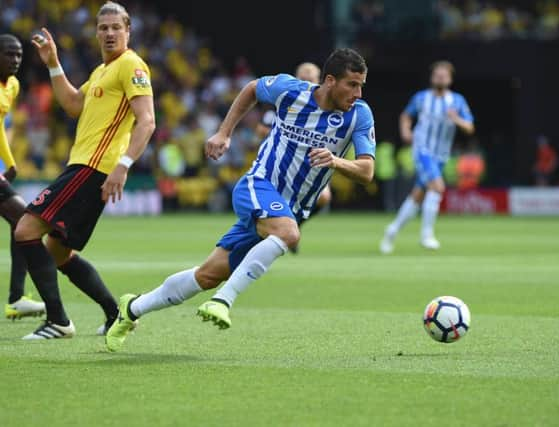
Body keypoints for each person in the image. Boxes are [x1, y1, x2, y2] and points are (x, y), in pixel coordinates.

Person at [106, 48, 376, 352]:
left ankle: (132, 309)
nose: (358, 92)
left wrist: (336, 162)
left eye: (361, 85)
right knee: (288, 234)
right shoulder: (290, 91)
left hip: (289, 210)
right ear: (329, 81)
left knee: (206, 275)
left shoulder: (359, 115)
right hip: (258, 185)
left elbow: (366, 171)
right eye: (352, 84)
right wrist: (224, 133)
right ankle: (223, 300)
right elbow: (251, 89)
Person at [14, 1, 155, 340]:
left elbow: (147, 122)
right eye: (103, 28)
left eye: (115, 28)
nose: (109, 33)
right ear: (95, 32)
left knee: (25, 230)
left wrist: (123, 166)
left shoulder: (132, 65)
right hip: (84, 165)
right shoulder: (101, 71)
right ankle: (116, 313)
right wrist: (54, 65)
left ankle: (59, 320)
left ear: (128, 31)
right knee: (58, 251)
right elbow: (75, 105)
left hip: (93, 167)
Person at [380, 61, 474, 253]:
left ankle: (392, 230)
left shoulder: (457, 101)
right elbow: (406, 116)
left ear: (450, 79)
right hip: (422, 149)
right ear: (432, 78)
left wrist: (456, 119)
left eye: (443, 75)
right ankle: (427, 235)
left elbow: (470, 127)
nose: (440, 78)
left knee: (418, 195)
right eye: (437, 75)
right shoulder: (421, 98)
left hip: (441, 155)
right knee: (438, 187)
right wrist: (406, 131)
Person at [256, 62, 332, 253]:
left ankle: (295, 224)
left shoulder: (326, 110)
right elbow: (260, 128)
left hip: (310, 164)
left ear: (319, 81)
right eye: (303, 79)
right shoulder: (285, 102)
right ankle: (274, 229)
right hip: (280, 162)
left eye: (311, 79)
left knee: (325, 197)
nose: (307, 83)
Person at [0, 34, 45, 319]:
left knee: (22, 220)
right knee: (24, 218)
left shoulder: (12, 86)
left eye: (18, 55)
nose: (15, 60)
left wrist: (10, 161)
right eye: (8, 54)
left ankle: (16, 297)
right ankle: (17, 297)